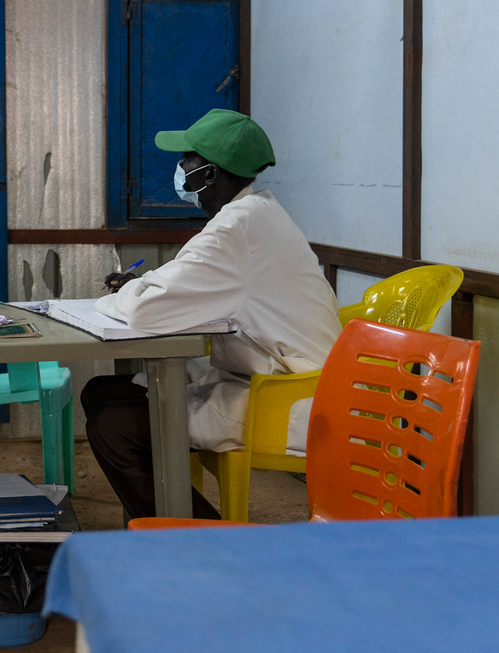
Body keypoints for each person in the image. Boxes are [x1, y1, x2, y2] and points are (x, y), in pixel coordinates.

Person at [80, 109, 341, 520]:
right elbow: (178, 281)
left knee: (114, 426)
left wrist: (126, 291)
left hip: (289, 398)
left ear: (210, 174)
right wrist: (142, 286)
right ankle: (168, 524)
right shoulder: (254, 215)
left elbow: (148, 310)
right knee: (101, 391)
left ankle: (199, 539)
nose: (180, 169)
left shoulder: (234, 230)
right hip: (271, 379)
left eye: (186, 159)